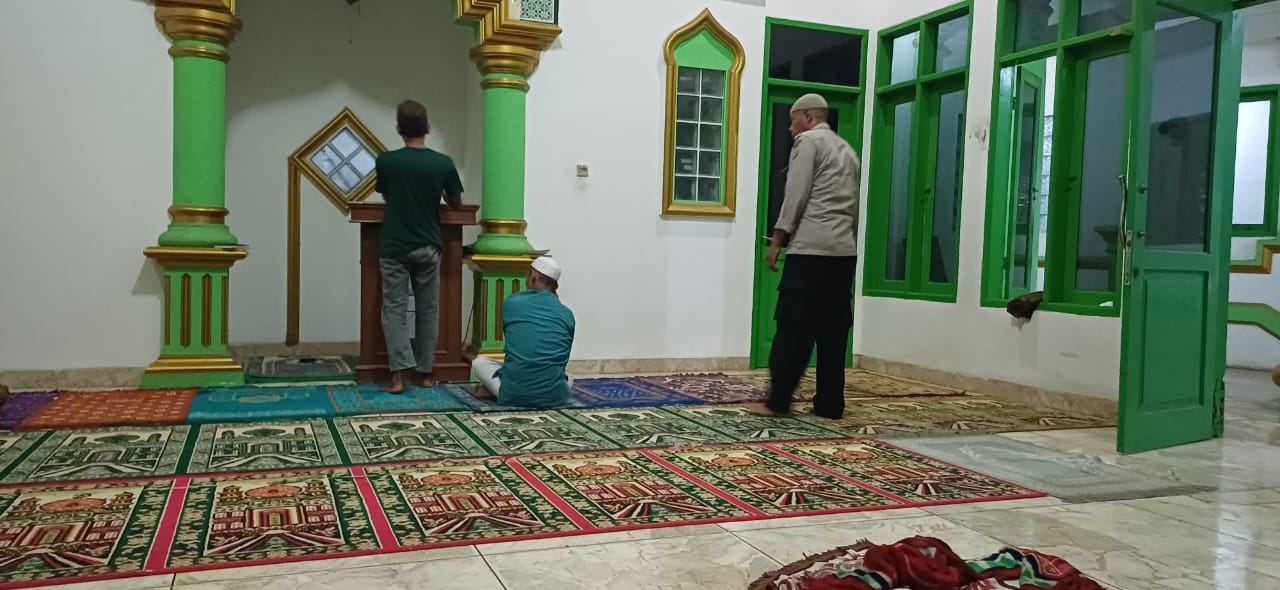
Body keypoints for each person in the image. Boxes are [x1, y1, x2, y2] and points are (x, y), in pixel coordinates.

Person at [746, 93, 860, 420]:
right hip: (843, 252)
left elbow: (795, 194)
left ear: (808, 117)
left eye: (792, 119)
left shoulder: (808, 142)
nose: (789, 128)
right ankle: (830, 404)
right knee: (833, 330)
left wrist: (777, 239)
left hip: (810, 251)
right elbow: (852, 207)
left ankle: (778, 402)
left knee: (793, 327)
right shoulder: (848, 151)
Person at [376, 100, 463, 393]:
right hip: (428, 243)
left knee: (395, 309)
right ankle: (425, 374)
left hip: (394, 244)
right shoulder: (443, 163)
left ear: (399, 129)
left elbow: (388, 194)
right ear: (427, 127)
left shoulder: (386, 161)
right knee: (427, 309)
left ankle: (398, 377)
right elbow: (456, 203)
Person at [463, 257, 575, 408]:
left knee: (479, 363)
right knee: (567, 376)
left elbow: (515, 344)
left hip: (513, 394)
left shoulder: (512, 303)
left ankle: (494, 390)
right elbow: (563, 356)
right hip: (556, 396)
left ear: (533, 277)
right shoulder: (567, 314)